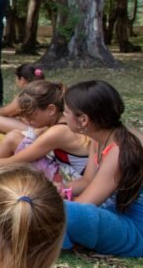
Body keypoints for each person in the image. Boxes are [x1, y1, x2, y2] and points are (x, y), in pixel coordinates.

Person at [61, 80, 143, 257]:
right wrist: (60, 188)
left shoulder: (120, 149)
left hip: (136, 229)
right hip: (114, 212)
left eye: (66, 111)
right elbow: (87, 181)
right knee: (51, 207)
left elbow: (85, 204)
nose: (63, 115)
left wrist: (49, 201)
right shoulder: (100, 138)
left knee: (61, 212)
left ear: (83, 120)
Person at [0, 81, 90, 194]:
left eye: (30, 116)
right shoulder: (56, 125)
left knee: (12, 139)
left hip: (70, 183)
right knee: (14, 137)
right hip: (67, 174)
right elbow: (29, 137)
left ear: (51, 110)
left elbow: (17, 160)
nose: (27, 120)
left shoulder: (58, 132)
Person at [0, 63, 46, 134]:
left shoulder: (26, 95)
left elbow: (6, 111)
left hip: (39, 130)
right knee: (16, 117)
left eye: (16, 78)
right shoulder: (46, 89)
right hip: (47, 127)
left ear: (22, 80)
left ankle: (0, 129)